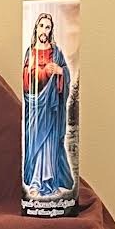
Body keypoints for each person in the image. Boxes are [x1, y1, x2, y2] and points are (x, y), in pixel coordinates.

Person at [22, 12, 74, 196]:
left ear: (51, 31)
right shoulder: (30, 52)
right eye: (42, 26)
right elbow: (26, 78)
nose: (44, 30)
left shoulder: (56, 52)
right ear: (36, 28)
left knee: (49, 143)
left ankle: (49, 181)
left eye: (48, 27)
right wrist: (43, 72)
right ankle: (36, 182)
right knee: (36, 140)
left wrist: (59, 70)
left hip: (51, 107)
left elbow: (66, 72)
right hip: (36, 106)